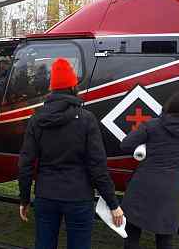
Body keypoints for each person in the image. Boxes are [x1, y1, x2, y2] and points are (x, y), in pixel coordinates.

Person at [18, 58, 124, 249]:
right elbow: (97, 166)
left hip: (46, 195)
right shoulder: (86, 119)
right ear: (74, 87)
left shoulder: (37, 118)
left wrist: (24, 198)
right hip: (78, 197)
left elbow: (25, 163)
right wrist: (113, 203)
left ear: (52, 88)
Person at [120, 90, 179, 249]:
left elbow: (125, 145)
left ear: (168, 106)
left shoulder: (151, 125)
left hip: (141, 186)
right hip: (169, 191)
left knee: (132, 236)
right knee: (164, 241)